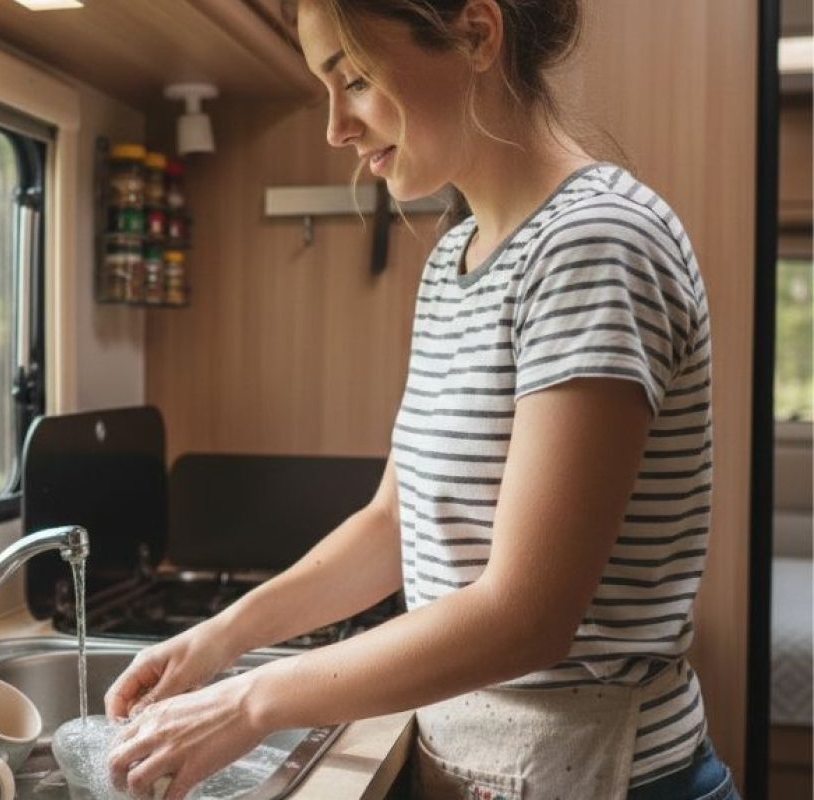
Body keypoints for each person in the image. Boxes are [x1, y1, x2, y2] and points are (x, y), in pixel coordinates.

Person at [103, 2, 738, 798]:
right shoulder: (454, 264)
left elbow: (524, 617)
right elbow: (392, 523)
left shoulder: (595, 244)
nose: (336, 127)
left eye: (357, 80)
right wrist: (221, 638)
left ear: (476, 33)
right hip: (487, 767)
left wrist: (251, 701)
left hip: (614, 779)